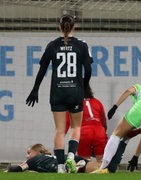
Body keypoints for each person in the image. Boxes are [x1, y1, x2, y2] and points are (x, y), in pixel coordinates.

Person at [26, 14, 93, 173]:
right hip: (75, 91)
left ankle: (61, 167)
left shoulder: (52, 45)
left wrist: (35, 90)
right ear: (74, 27)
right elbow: (89, 70)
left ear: (59, 27)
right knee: (76, 127)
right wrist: (83, 87)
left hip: (57, 92)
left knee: (59, 130)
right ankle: (71, 155)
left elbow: (42, 70)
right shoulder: (82, 45)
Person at [93, 83, 141, 174]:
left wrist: (115, 107)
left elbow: (128, 91)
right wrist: (136, 156)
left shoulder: (140, 88)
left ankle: (103, 167)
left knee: (116, 134)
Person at [65, 83, 107, 162]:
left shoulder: (74, 103)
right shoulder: (97, 102)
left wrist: (61, 135)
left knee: (84, 161)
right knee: (101, 161)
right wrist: (104, 132)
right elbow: (103, 120)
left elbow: (67, 122)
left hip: (84, 132)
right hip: (99, 131)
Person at [6, 143, 99, 173]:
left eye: (29, 153)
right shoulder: (48, 156)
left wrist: (8, 170)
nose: (27, 156)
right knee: (92, 166)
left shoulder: (33, 160)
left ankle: (70, 168)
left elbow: (18, 168)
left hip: (55, 165)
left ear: (37, 152)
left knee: (64, 169)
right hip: (66, 157)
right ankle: (103, 167)